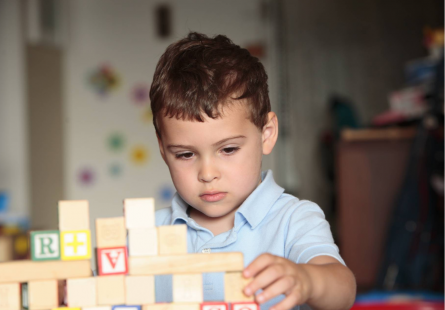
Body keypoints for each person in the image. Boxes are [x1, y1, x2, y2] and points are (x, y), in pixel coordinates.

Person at [150, 32, 356, 310]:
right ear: (163, 149)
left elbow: (342, 288)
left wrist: (307, 279)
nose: (208, 174)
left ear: (266, 135)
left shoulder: (293, 220)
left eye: (228, 150)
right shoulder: (147, 233)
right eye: (186, 154)